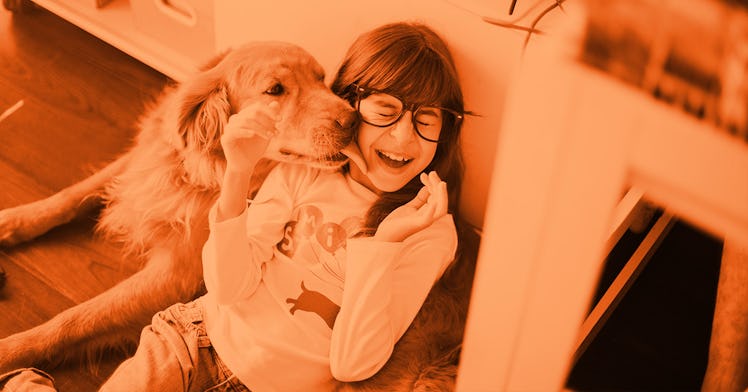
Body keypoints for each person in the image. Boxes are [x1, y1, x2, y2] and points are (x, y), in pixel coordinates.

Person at [0, 21, 467, 391]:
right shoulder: (287, 172)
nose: (337, 112)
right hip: (191, 338)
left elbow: (354, 360)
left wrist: (381, 246)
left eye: (320, 80)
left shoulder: (415, 229)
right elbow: (226, 283)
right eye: (278, 90)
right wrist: (51, 210)